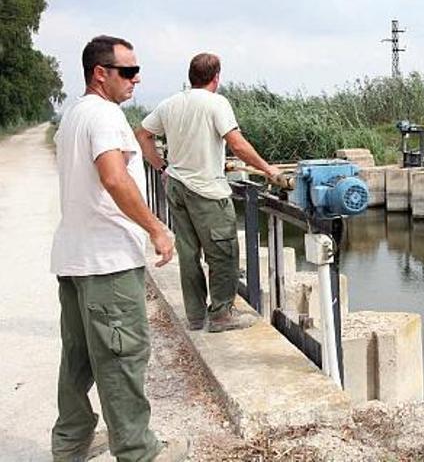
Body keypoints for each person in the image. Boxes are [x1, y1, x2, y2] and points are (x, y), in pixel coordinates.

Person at [50, 35, 188, 461]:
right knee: (121, 355)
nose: (135, 79)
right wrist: (156, 228)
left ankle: (71, 442)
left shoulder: (74, 115)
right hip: (106, 261)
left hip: (75, 258)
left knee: (79, 358)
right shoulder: (106, 115)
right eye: (127, 71)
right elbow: (114, 177)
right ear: (101, 74)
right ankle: (138, 451)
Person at [135, 53, 281, 333]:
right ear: (216, 77)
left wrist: (161, 165)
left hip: (177, 186)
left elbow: (141, 134)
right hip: (206, 190)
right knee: (223, 252)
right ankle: (222, 314)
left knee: (188, 254)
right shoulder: (217, 103)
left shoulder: (170, 103)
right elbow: (237, 144)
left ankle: (195, 316)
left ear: (191, 76)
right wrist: (268, 169)